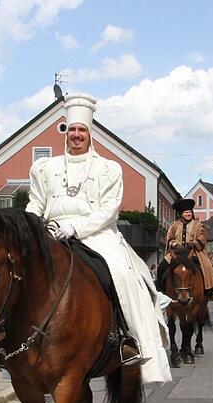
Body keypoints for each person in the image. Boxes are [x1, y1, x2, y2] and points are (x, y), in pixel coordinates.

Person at [26, 93, 171, 384]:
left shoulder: (109, 168)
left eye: (82, 130)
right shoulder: (44, 168)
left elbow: (108, 210)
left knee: (122, 276)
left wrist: (76, 229)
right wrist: (34, 226)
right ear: (66, 132)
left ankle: (129, 342)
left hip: (98, 235)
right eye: (73, 130)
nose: (77, 135)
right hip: (51, 234)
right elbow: (35, 203)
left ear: (89, 134)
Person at [157, 199, 213, 299]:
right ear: (181, 213)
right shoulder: (174, 225)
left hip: (193, 252)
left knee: (207, 267)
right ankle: (160, 290)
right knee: (161, 267)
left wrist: (194, 243)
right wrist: (175, 244)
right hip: (176, 253)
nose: (188, 214)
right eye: (186, 212)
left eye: (190, 212)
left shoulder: (198, 225)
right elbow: (169, 238)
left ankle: (209, 290)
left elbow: (202, 237)